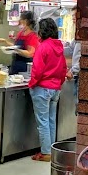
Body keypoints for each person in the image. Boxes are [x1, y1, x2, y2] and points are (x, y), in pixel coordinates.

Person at [28, 18, 68, 162]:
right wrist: (59, 83)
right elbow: (63, 68)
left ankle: (45, 153)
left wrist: (32, 84)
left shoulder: (43, 47)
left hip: (42, 88)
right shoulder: (59, 47)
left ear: (41, 31)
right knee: (51, 121)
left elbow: (37, 70)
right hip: (55, 89)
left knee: (43, 122)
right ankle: (50, 150)